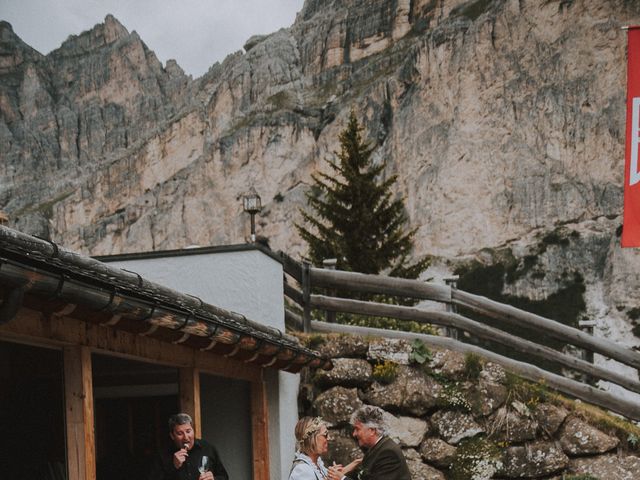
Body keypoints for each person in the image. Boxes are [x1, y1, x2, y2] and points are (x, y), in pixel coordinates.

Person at [148, 413, 229, 480]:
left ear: (193, 431)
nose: (186, 437)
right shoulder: (163, 454)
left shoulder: (208, 448)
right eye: (180, 433)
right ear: (172, 436)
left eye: (188, 431)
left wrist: (214, 479)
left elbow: (224, 477)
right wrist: (173, 466)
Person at [338, 406, 411, 480]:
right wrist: (343, 472)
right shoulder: (376, 448)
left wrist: (342, 478)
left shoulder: (388, 453)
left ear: (372, 431)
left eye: (357, 429)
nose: (354, 434)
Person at [289, 416, 361, 480]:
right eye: (325, 435)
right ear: (312, 439)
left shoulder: (317, 464)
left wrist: (356, 463)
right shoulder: (303, 470)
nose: (329, 438)